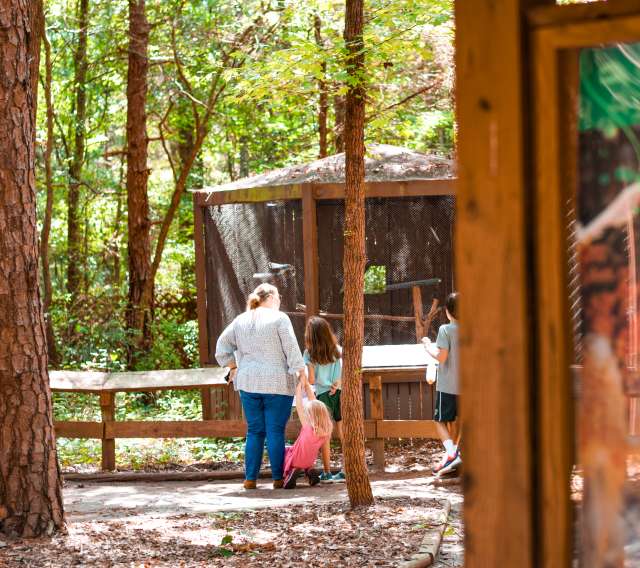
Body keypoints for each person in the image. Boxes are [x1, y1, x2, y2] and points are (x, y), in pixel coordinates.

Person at [215, 283, 306, 490]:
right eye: (279, 297)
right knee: (275, 431)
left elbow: (222, 346)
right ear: (272, 297)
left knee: (255, 431)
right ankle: (277, 479)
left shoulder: (241, 320)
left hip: (248, 382)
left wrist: (232, 366)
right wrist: (301, 372)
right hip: (277, 383)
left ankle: (250, 479)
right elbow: (291, 348)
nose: (280, 301)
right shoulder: (279, 318)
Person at [423, 292, 461, 475]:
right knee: (459, 421)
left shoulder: (445, 330)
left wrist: (427, 346)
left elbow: (441, 356)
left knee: (439, 421)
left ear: (447, 312)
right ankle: (453, 456)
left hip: (448, 386)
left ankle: (452, 453)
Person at [303, 316, 345, 483]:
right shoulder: (337, 350)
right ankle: (347, 470)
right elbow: (340, 376)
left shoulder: (309, 354)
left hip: (322, 396)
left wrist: (308, 369)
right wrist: (336, 385)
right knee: (343, 433)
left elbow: (312, 380)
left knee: (324, 435)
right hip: (339, 393)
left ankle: (327, 472)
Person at [283, 373, 333, 489]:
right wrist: (307, 386)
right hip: (309, 460)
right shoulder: (326, 430)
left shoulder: (307, 426)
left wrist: (300, 386)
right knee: (307, 458)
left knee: (286, 450)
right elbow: (314, 402)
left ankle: (291, 473)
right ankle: (310, 472)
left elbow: (299, 404)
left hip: (296, 459)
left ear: (310, 415)